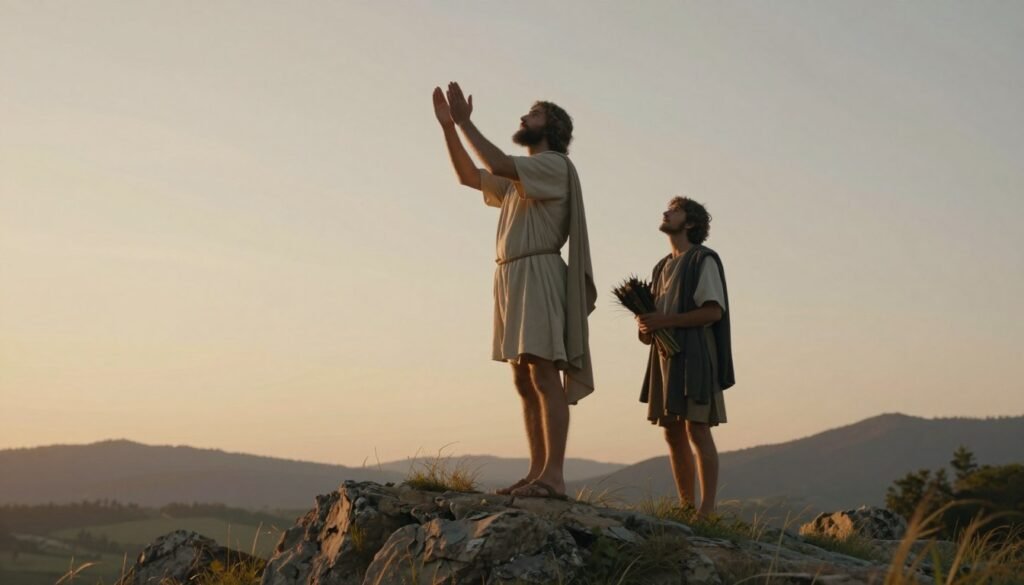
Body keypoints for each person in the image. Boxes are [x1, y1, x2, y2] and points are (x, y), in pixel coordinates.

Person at [432, 82, 596, 499]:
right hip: (512, 276)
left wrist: (467, 122)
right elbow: (470, 176)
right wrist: (449, 127)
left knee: (543, 373)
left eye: (534, 114)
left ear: (553, 127)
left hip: (538, 271)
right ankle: (536, 471)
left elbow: (499, 162)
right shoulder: (522, 180)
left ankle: (553, 478)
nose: (524, 117)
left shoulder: (554, 165)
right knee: (523, 379)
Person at [636, 197, 735, 516]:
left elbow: (712, 311)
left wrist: (664, 321)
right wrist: (646, 326)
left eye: (674, 210)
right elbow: (655, 316)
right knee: (671, 430)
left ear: (689, 223)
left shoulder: (703, 260)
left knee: (697, 426)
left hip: (695, 353)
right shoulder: (661, 266)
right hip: (665, 357)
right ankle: (685, 506)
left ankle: (706, 511)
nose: (665, 212)